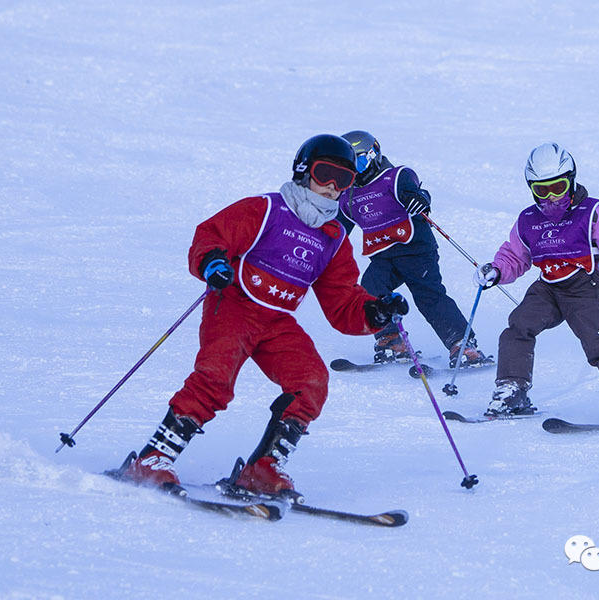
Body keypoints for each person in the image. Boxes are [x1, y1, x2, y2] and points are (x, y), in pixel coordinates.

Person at [121, 134, 410, 499]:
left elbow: (342, 301)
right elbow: (212, 235)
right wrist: (212, 262)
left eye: (345, 180)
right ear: (304, 172)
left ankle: (263, 468)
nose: (333, 188)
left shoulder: (333, 236)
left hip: (277, 322)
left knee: (311, 381)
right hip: (235, 305)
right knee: (215, 378)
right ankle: (154, 457)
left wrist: (374, 311)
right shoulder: (267, 209)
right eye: (326, 174)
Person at [474, 142, 599, 424]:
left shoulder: (591, 211)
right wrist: (496, 271)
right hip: (547, 287)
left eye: (558, 187)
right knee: (518, 325)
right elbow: (515, 255)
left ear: (571, 180)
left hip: (582, 288)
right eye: (542, 190)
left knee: (596, 339)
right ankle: (512, 389)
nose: (551, 197)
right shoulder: (528, 220)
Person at [337, 130, 492, 368]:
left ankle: (462, 344)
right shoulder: (348, 196)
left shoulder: (395, 177)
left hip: (416, 251)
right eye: (347, 166)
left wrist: (419, 200)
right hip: (384, 257)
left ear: (374, 154)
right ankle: (390, 339)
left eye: (360, 162)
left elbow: (415, 192)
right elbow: (338, 228)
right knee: (369, 288)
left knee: (428, 296)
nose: (355, 171)